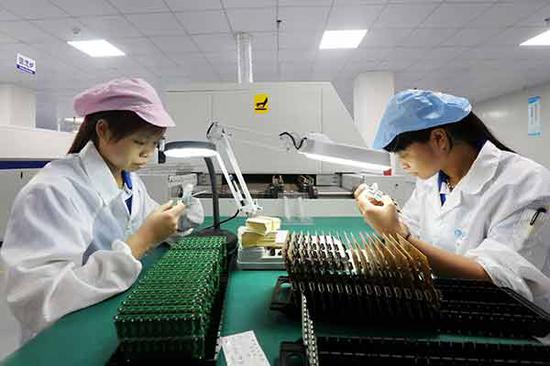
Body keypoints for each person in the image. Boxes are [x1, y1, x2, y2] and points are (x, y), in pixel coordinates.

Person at [0, 78, 204, 341]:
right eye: (140, 141)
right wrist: (141, 243)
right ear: (104, 130)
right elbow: (39, 300)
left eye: (154, 143)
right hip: (66, 340)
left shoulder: (129, 180)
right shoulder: (53, 191)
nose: (147, 154)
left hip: (113, 318)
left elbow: (150, 220)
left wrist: (179, 217)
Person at [355, 89, 550, 312]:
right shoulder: (432, 181)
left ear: (439, 139)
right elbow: (412, 227)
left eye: (404, 154)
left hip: (518, 323)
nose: (402, 165)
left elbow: (497, 279)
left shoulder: (526, 183)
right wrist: (390, 228)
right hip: (450, 304)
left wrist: (399, 236)